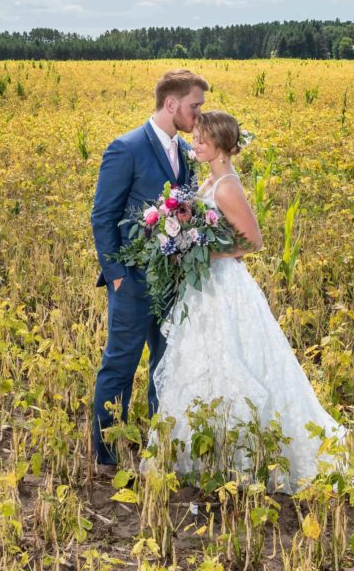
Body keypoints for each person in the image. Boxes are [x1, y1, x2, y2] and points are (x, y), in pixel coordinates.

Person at [148, 110, 354, 503]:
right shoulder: (209, 179)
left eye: (201, 140)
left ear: (219, 145)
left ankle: (240, 456)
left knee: (236, 362)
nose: (194, 144)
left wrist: (204, 253)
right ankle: (205, 454)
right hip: (205, 289)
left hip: (225, 288)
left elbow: (253, 241)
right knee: (204, 363)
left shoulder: (227, 187)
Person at [91, 69, 208, 476]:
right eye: (195, 106)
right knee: (120, 365)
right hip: (132, 280)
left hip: (172, 282)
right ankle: (106, 456)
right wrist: (117, 274)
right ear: (171, 104)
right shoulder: (126, 148)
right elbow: (102, 215)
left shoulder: (186, 152)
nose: (199, 115)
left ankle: (159, 451)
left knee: (166, 364)